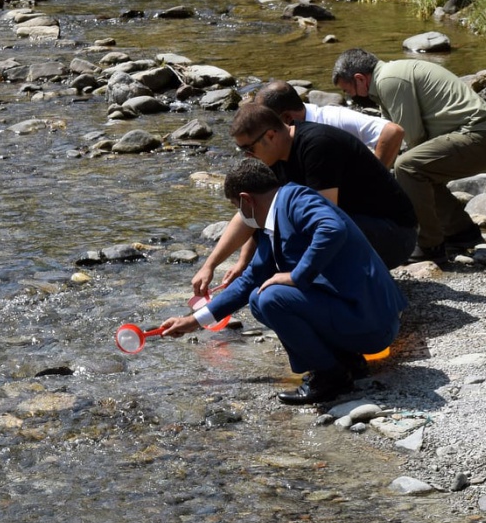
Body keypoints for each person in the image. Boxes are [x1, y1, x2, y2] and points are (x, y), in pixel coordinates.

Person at [158, 160, 406, 405]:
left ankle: (331, 377)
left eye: (236, 206)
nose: (240, 216)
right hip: (360, 317)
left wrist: (297, 276)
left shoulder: (296, 200)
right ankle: (346, 361)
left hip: (374, 323)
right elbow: (248, 282)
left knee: (271, 298)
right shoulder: (273, 222)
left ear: (246, 200)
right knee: (257, 297)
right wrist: (193, 321)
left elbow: (332, 229)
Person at [191, 103, 417, 295]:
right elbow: (250, 213)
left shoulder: (318, 146)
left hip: (394, 235)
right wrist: (212, 265)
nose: (248, 156)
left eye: (248, 148)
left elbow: (326, 221)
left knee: (290, 237)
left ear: (270, 135)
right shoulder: (275, 156)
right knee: (274, 230)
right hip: (360, 228)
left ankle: (350, 299)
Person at [331, 48, 486, 262]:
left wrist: (379, 179)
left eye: (347, 89)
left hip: (481, 137)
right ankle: (461, 233)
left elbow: (412, 137)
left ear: (360, 78)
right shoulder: (390, 76)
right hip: (485, 137)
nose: (350, 96)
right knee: (416, 169)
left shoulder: (390, 80)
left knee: (408, 167)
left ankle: (430, 245)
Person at [254, 79, 405, 167]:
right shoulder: (281, 136)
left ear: (287, 118)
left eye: (268, 123)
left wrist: (374, 178)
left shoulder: (333, 119)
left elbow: (392, 131)